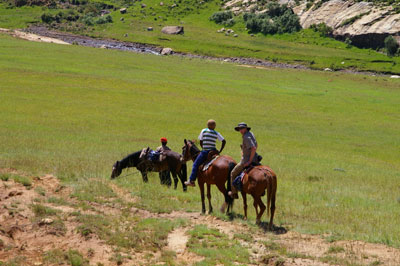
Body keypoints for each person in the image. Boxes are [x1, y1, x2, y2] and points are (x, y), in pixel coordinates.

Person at [184, 119, 226, 187]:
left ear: (207, 125)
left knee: (195, 164)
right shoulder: (216, 133)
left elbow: (201, 141)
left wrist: (203, 147)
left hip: (205, 151)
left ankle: (191, 180)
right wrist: (219, 151)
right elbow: (224, 141)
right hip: (214, 151)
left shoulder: (203, 130)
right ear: (214, 126)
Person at [228, 122, 258, 199]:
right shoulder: (251, 133)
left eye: (242, 128)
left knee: (233, 173)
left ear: (245, 128)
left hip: (246, 160)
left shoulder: (246, 137)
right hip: (256, 158)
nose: (240, 130)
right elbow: (256, 145)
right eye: (239, 129)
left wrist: (249, 161)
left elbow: (253, 148)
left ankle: (234, 193)